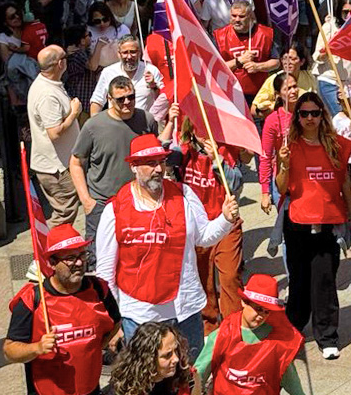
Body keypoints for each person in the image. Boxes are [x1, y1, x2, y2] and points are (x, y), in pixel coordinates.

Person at [94, 133, 239, 361]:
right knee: (148, 384)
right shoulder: (114, 210)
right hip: (141, 316)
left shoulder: (184, 194)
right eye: (150, 164)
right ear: (133, 166)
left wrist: (225, 219)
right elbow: (104, 273)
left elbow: (204, 237)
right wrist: (113, 323)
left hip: (186, 311)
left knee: (190, 378)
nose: (159, 169)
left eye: (161, 162)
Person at [4, 225, 121, 395]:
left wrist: (96, 346)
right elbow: (9, 350)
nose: (78, 263)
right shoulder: (31, 299)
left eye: (81, 255)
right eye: (70, 258)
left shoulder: (99, 290)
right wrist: (37, 348)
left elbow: (114, 323)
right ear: (52, 263)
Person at [274, 91, 351, 358]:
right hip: (296, 223)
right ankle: (293, 331)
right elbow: (281, 187)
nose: (310, 118)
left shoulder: (338, 145)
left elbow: (344, 184)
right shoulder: (289, 147)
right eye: (304, 113)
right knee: (299, 282)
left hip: (328, 222)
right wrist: (284, 165)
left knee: (325, 282)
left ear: (323, 115)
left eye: (315, 113)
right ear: (297, 117)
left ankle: (327, 336)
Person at [195, 274, 309, 395]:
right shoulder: (222, 335)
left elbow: (288, 374)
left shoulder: (277, 339)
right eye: (257, 308)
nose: (261, 316)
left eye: (266, 311)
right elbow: (200, 370)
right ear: (243, 302)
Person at [70, 76, 169, 245]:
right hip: (103, 204)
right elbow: (76, 163)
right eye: (120, 99)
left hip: (138, 202)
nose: (127, 102)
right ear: (109, 99)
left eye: (131, 97)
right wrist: (87, 201)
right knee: (98, 259)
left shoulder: (146, 120)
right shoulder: (93, 126)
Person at [174, 118, 245, 336]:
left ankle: (233, 329)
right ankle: (209, 328)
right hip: (199, 227)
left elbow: (236, 184)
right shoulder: (183, 153)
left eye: (209, 128)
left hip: (226, 225)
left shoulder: (225, 151)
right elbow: (164, 155)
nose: (205, 134)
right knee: (203, 280)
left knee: (230, 278)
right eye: (200, 128)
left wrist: (218, 161)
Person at [27, 45, 82, 227]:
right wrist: (74, 113)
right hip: (56, 168)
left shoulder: (49, 84)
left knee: (66, 212)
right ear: (60, 63)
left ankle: (57, 251)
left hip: (58, 164)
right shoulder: (47, 94)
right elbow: (54, 133)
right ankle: (51, 251)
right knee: (64, 214)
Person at [214, 0, 278, 103]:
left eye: (241, 16)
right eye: (234, 16)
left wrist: (258, 66)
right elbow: (215, 67)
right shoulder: (219, 36)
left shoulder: (266, 34)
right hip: (229, 95)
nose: (237, 20)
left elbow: (276, 62)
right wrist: (239, 61)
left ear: (251, 16)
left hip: (258, 95)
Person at [89, 36, 166, 119]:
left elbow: (162, 101)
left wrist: (154, 87)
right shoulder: (108, 72)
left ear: (139, 52)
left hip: (144, 125)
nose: (129, 57)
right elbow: (97, 101)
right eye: (125, 52)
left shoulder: (151, 70)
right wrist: (95, 124)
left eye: (133, 52)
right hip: (116, 125)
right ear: (119, 54)